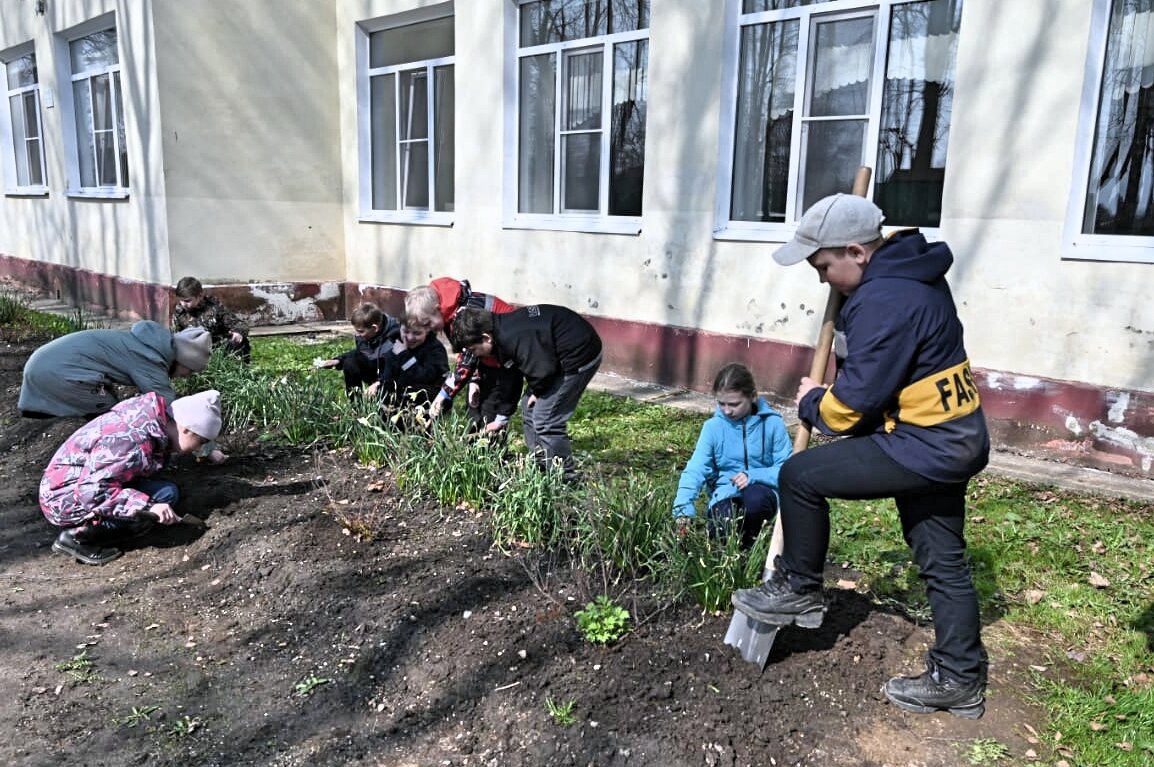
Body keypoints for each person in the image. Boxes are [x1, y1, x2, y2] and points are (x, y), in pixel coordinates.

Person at [730, 193, 991, 720]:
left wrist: (811, 400)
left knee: (800, 474)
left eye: (824, 266)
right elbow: (888, 374)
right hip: (956, 436)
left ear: (857, 251)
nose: (822, 279)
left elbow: (851, 410)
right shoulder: (910, 275)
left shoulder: (886, 298)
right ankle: (960, 678)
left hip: (926, 444)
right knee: (942, 560)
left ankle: (799, 587)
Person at [40, 389, 228, 566]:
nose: (197, 448)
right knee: (162, 498)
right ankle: (78, 537)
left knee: (166, 492)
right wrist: (147, 506)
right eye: (200, 442)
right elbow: (91, 491)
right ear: (187, 429)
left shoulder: (148, 423)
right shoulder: (131, 440)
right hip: (64, 499)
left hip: (73, 483)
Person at [451, 304, 602, 480]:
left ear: (486, 338)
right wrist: (502, 418)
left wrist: (538, 391)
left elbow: (543, 372)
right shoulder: (500, 333)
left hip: (579, 356)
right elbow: (512, 377)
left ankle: (564, 477)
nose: (475, 355)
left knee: (545, 419)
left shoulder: (512, 338)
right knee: (528, 406)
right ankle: (541, 467)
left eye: (473, 349)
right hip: (552, 358)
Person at [673, 363, 792, 547]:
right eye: (722, 404)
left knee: (755, 501)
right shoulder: (713, 428)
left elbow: (787, 470)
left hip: (762, 492)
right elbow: (695, 469)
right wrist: (683, 509)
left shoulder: (773, 425)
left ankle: (751, 546)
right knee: (722, 525)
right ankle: (728, 554)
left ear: (752, 397)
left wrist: (753, 476)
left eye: (734, 404)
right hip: (724, 494)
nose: (727, 410)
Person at [18, 321, 213, 419]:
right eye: (190, 370)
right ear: (182, 361)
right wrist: (206, 443)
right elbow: (167, 404)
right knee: (109, 416)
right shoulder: (149, 359)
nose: (187, 376)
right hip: (59, 372)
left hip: (47, 364)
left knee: (107, 399)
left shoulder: (148, 345)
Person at [405, 278, 524, 434]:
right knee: (474, 407)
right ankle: (475, 445)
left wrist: (443, 395)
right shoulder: (450, 311)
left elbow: (466, 362)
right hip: (487, 358)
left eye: (427, 324)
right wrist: (475, 379)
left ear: (437, 309)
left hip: (505, 361)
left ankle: (487, 451)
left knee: (490, 411)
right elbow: (467, 352)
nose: (428, 330)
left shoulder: (466, 313)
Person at [365, 312, 450, 417]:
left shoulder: (435, 350)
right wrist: (380, 383)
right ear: (400, 327)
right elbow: (389, 374)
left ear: (427, 331)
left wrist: (404, 355)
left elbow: (424, 378)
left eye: (417, 333)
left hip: (429, 394)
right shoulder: (395, 343)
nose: (409, 337)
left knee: (413, 394)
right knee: (381, 390)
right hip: (404, 391)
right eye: (406, 331)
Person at [316, 302, 400, 397]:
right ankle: (356, 403)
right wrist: (338, 361)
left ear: (374, 328)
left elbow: (399, 368)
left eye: (360, 331)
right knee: (350, 362)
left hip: (394, 378)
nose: (357, 334)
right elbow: (361, 354)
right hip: (376, 370)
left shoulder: (396, 338)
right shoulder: (366, 334)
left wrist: (380, 383)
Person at [172, 276, 252, 362]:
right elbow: (175, 337)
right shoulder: (179, 312)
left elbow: (238, 323)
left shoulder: (213, 306)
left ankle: (235, 369)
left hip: (218, 347)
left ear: (199, 296)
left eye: (188, 301)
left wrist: (238, 332)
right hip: (196, 351)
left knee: (239, 342)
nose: (183, 304)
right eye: (181, 300)